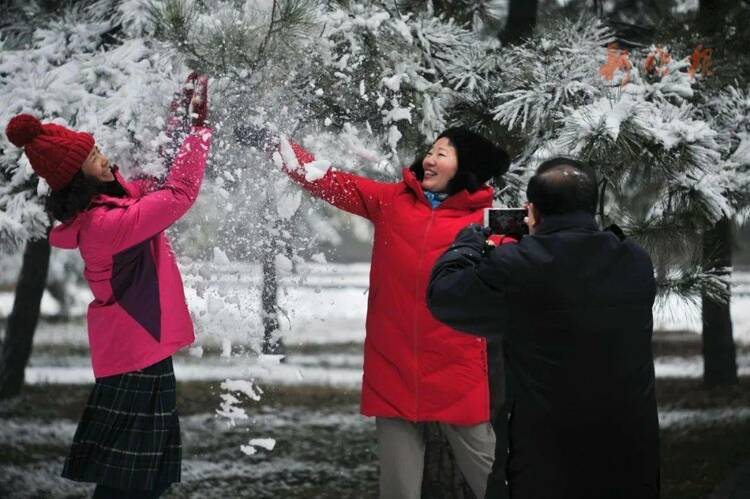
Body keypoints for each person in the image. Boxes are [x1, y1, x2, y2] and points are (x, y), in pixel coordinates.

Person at [235, 125, 510, 499]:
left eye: (442, 153)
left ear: (467, 167)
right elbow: (327, 180)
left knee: (492, 480)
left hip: (456, 368)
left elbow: (541, 259)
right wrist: (276, 146)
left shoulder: (487, 223)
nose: (429, 158)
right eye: (431, 150)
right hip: (392, 363)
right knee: (398, 489)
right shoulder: (392, 201)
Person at [3, 74, 212, 499]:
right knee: (128, 484)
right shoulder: (105, 225)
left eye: (97, 148)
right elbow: (179, 193)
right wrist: (196, 132)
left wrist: (181, 120)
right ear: (78, 179)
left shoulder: (111, 204)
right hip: (136, 354)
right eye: (94, 157)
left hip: (139, 351)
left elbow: (155, 182)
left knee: (144, 479)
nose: (104, 158)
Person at [427, 158, 660, 499]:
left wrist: (469, 243)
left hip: (546, 462)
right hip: (630, 455)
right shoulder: (635, 261)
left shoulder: (518, 266)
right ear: (592, 206)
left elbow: (444, 295)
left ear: (531, 210)